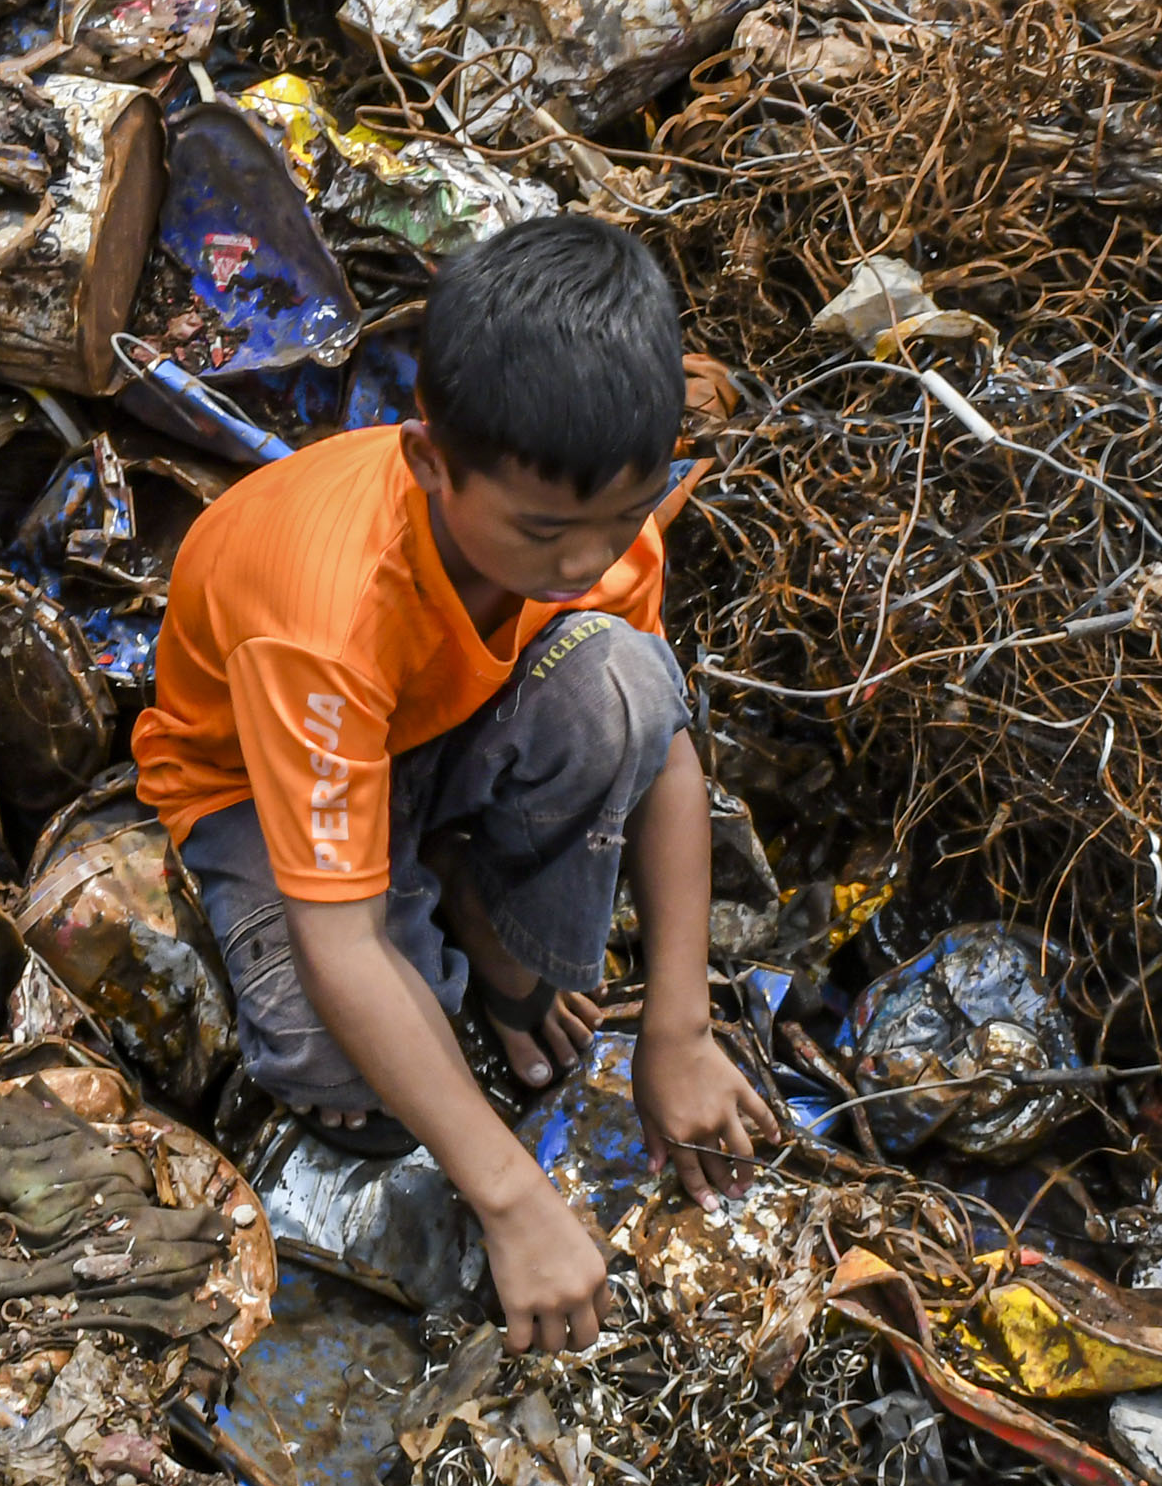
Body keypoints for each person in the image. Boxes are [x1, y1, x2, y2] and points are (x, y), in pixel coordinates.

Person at [133, 217, 774, 1351]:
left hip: (434, 726)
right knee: (348, 1076)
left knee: (625, 680)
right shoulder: (327, 613)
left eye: (622, 518)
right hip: (259, 782)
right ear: (430, 462)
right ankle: (442, 901)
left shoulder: (591, 522)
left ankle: (457, 900)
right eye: (544, 532)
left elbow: (663, 750)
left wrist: (678, 1028)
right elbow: (339, 945)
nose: (586, 561)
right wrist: (514, 1197)